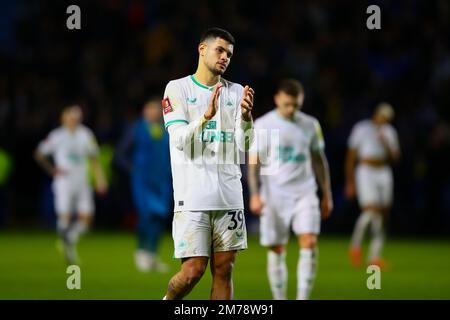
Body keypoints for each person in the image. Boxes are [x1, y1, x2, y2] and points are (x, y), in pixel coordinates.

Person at [161, 27, 254, 300]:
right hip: (192, 197)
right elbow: (179, 139)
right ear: (202, 49)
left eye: (229, 54)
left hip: (229, 196)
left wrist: (247, 117)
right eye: (220, 50)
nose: (225, 57)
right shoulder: (177, 88)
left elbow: (245, 145)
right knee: (192, 271)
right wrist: (205, 116)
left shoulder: (236, 92)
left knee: (224, 270)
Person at [248, 79, 333, 300]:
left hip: (305, 192)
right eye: (287, 104)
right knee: (277, 248)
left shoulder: (310, 124)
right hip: (274, 195)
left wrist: (327, 194)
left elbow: (319, 160)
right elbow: (254, 162)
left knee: (310, 242)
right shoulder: (263, 124)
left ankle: (302, 298)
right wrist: (255, 194)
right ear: (277, 99)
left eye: (296, 104)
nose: (292, 109)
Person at [34, 104, 107, 265]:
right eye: (71, 116)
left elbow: (94, 159)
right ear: (64, 118)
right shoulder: (57, 136)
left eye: (76, 117)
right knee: (64, 216)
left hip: (82, 181)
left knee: (87, 219)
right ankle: (69, 250)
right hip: (64, 181)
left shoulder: (86, 134)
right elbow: (39, 154)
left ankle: (68, 239)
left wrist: (100, 179)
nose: (74, 120)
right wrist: (52, 170)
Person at [115, 97, 172, 273]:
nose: (153, 112)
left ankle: (153, 255)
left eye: (156, 109)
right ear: (144, 111)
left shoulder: (167, 129)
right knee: (146, 215)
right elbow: (120, 154)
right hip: (143, 181)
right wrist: (134, 169)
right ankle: (141, 253)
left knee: (160, 216)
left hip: (163, 180)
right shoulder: (137, 129)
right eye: (150, 109)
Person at [345, 102, 400, 268]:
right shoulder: (362, 128)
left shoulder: (390, 132)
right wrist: (350, 181)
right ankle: (355, 246)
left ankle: (374, 256)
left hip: (383, 171)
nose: (384, 119)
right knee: (370, 210)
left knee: (382, 214)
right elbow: (351, 156)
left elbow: (396, 157)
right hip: (366, 170)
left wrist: (386, 143)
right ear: (377, 114)